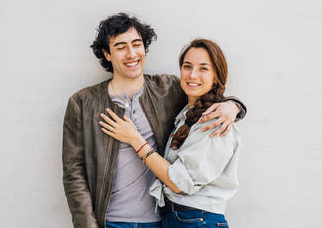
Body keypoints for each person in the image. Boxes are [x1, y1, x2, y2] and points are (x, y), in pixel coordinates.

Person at [62, 13, 246, 228]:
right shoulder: (83, 103)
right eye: (121, 47)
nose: (131, 54)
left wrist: (234, 106)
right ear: (107, 54)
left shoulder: (168, 89)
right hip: (111, 221)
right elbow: (74, 172)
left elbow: (204, 91)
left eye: (136, 44)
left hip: (162, 221)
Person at [100, 38, 241, 228]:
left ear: (217, 76)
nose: (193, 75)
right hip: (177, 218)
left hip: (197, 219)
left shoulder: (215, 122)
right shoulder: (186, 113)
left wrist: (134, 139)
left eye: (203, 68)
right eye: (187, 66)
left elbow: (178, 182)